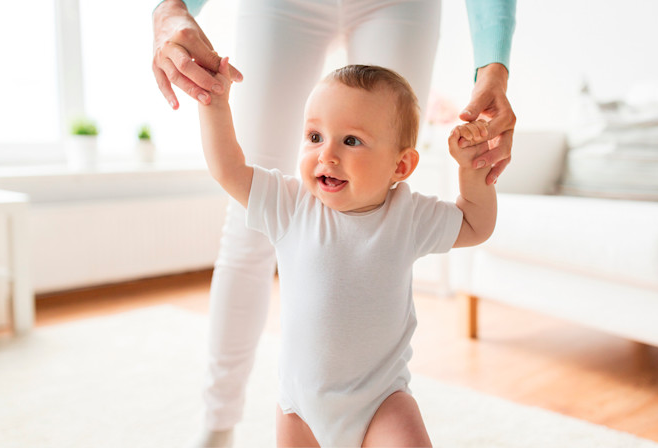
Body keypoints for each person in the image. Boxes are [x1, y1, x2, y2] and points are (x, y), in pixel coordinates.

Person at [151, 0, 515, 445]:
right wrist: (215, 103)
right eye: (314, 136)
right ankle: (216, 424)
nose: (327, 154)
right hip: (300, 409)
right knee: (242, 243)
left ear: (402, 166)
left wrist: (473, 174)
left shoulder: (407, 214)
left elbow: (475, 225)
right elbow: (229, 169)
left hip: (382, 403)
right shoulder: (290, 204)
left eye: (352, 140)